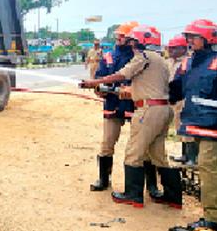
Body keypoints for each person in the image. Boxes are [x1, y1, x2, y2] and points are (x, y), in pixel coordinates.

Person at [81, 25, 180, 209]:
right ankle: (172, 196)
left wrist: (94, 82)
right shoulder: (160, 59)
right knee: (157, 153)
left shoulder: (142, 57)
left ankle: (133, 195)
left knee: (134, 152)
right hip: (159, 108)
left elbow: (121, 75)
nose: (130, 43)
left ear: (141, 41)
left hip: (146, 108)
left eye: (132, 39)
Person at [89, 21, 164, 197]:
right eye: (118, 35)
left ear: (132, 39)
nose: (119, 38)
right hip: (112, 105)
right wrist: (99, 89)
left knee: (142, 146)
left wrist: (129, 90)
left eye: (123, 36)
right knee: (107, 143)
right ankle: (103, 180)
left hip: (136, 105)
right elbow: (100, 76)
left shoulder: (141, 57)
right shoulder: (109, 55)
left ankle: (151, 186)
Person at [169, 19, 217, 231]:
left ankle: (212, 220)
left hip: (214, 126)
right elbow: (176, 90)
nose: (189, 40)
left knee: (209, 169)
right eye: (188, 36)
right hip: (196, 124)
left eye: (193, 37)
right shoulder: (188, 63)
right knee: (206, 168)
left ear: (208, 39)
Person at [166, 35, 198, 166]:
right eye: (170, 48)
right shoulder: (169, 62)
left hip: (184, 99)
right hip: (173, 98)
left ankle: (191, 157)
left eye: (174, 48)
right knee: (180, 127)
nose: (171, 51)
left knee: (188, 128)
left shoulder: (187, 61)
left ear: (183, 48)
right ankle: (185, 154)